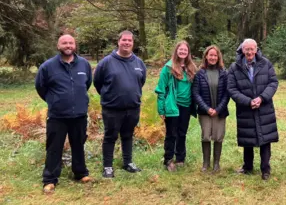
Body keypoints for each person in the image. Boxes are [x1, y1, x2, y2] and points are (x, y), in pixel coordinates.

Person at [35, 34, 94, 194]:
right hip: (57, 116)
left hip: (79, 115)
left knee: (78, 145)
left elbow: (87, 83)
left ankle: (80, 173)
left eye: (70, 43)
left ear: (75, 45)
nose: (68, 45)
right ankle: (50, 179)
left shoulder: (84, 64)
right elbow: (41, 87)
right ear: (58, 45)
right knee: (54, 147)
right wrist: (54, 101)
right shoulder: (47, 67)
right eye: (64, 43)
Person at [94, 30, 146, 178]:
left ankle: (128, 162)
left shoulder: (138, 63)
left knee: (128, 135)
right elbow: (97, 82)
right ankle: (108, 166)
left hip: (132, 107)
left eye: (130, 41)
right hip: (112, 108)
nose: (127, 43)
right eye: (124, 40)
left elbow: (141, 81)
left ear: (133, 43)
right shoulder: (106, 62)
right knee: (110, 136)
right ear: (118, 41)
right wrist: (110, 96)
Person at [227, 38, 279, 181]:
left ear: (256, 49)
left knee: (265, 138)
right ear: (242, 50)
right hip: (245, 108)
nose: (249, 52)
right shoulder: (234, 67)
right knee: (247, 137)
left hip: (264, 107)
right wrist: (248, 102)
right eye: (247, 49)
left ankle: (265, 169)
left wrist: (262, 98)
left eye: (252, 49)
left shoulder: (266, 63)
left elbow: (273, 82)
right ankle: (248, 166)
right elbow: (231, 89)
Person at [155, 40, 197, 172]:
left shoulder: (191, 68)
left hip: (186, 105)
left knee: (182, 133)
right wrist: (161, 108)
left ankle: (180, 159)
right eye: (181, 49)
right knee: (171, 134)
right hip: (172, 105)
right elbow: (161, 89)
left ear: (188, 52)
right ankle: (168, 160)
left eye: (185, 50)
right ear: (176, 51)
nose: (183, 52)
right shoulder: (168, 68)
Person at [192, 45, 230, 172]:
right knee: (206, 136)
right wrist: (207, 108)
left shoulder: (224, 73)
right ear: (206, 57)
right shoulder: (200, 73)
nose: (213, 57)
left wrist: (218, 109)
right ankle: (206, 163)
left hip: (220, 111)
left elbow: (227, 93)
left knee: (218, 136)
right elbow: (196, 93)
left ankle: (216, 164)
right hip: (205, 111)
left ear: (218, 57)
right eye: (210, 55)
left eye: (215, 55)